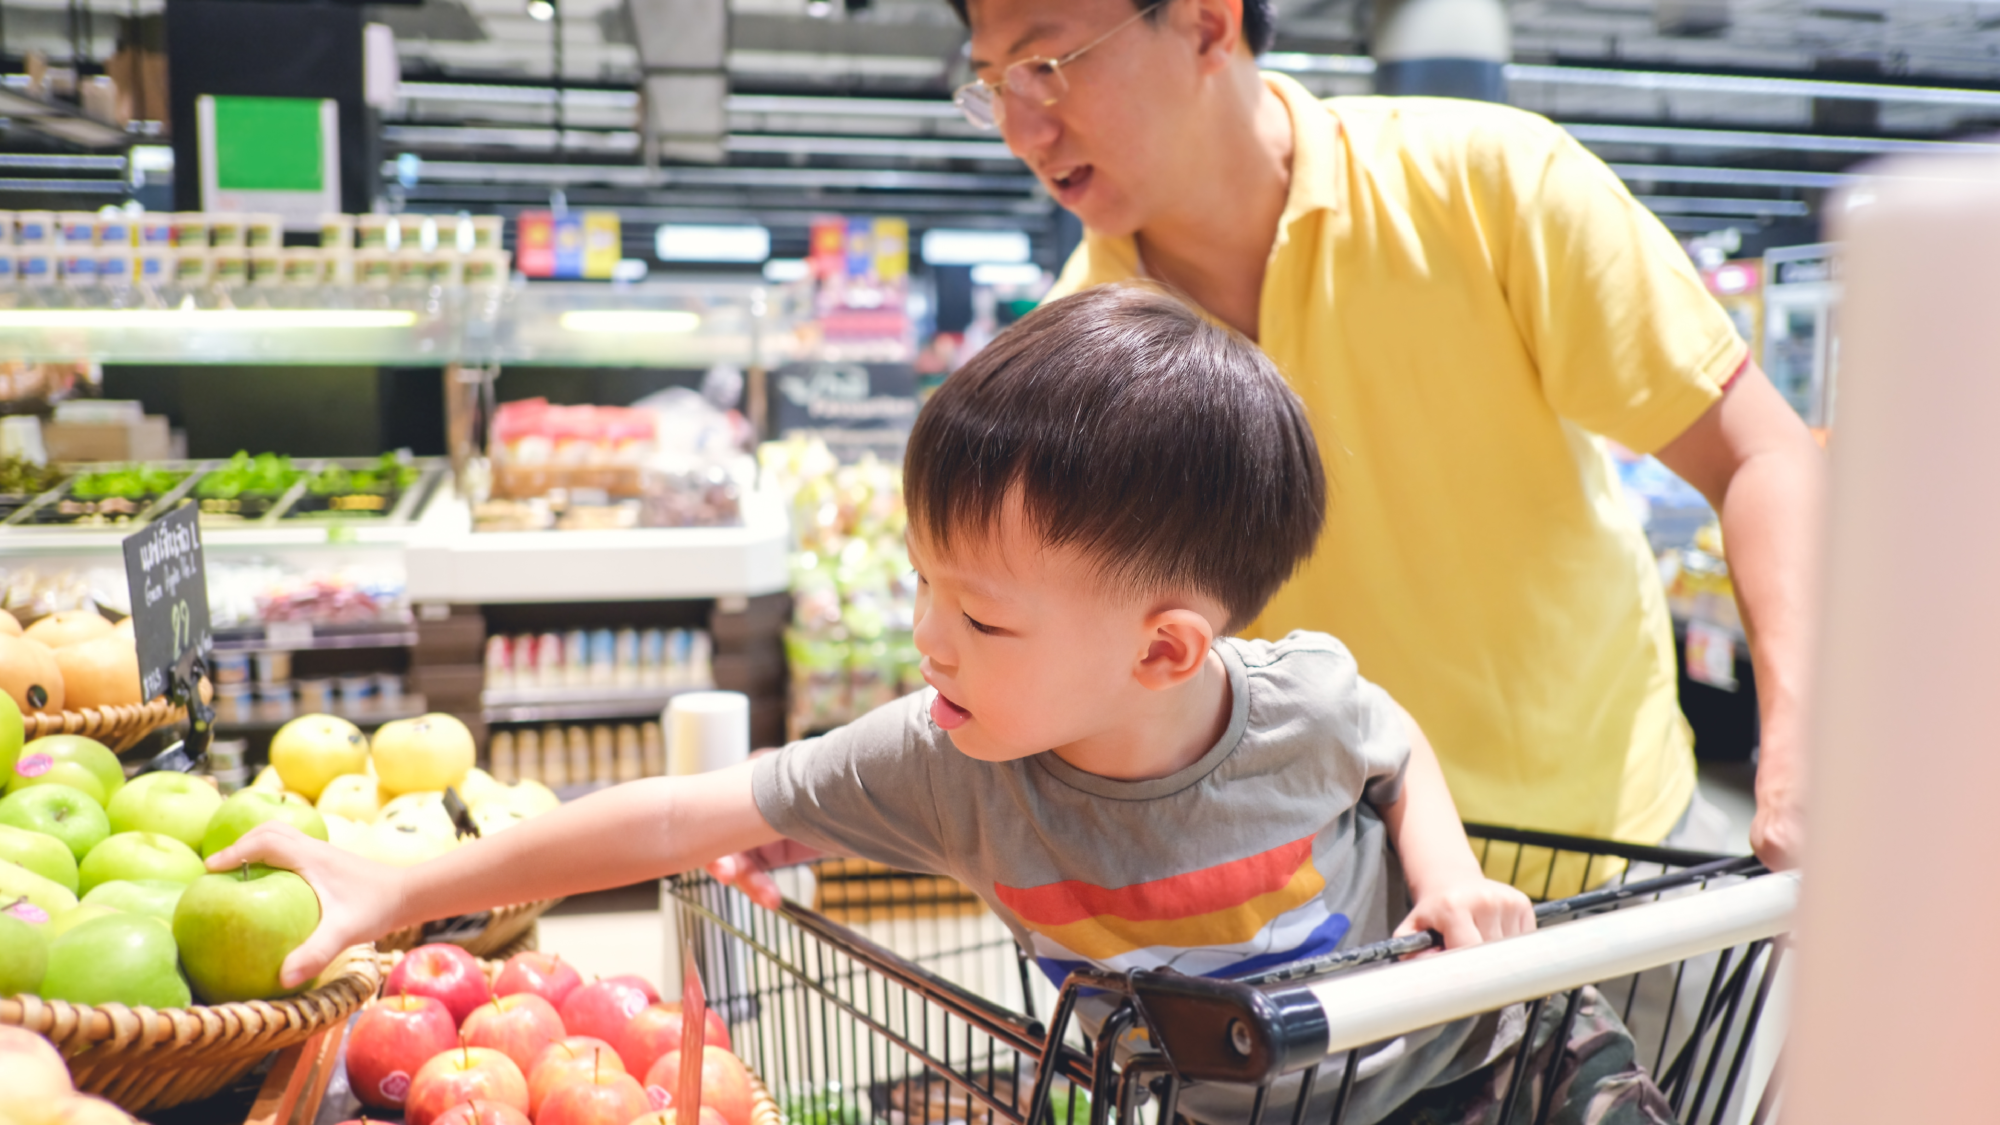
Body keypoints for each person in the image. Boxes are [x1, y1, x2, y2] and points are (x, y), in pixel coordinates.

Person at [221, 287, 1667, 1124]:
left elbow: (1391, 737)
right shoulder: (945, 760)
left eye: (979, 613)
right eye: (924, 584)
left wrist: (1451, 873)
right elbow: (671, 815)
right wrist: (410, 880)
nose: (927, 639)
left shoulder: (1294, 704)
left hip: (1472, 1067)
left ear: (1167, 650)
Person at [935, 0, 1824, 871]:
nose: (1022, 130)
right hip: (1322, 917)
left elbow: (1759, 453)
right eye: (990, 86)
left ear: (1209, 24)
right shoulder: (1073, 355)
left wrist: (1801, 733)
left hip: (1616, 846)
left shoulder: (1491, 185)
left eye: (1044, 69)